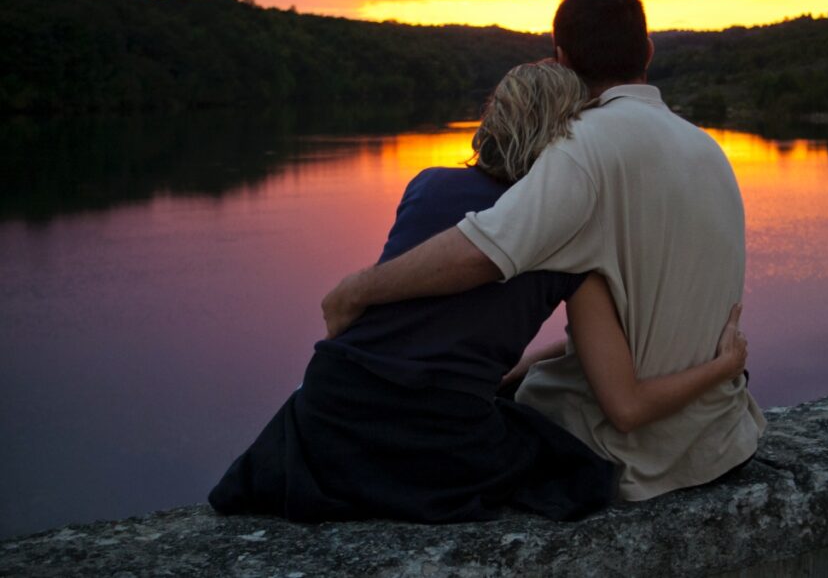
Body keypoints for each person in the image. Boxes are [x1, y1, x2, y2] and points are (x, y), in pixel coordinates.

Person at [209, 62, 749, 523]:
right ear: (571, 135)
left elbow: (429, 327)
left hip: (328, 411)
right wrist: (723, 366)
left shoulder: (426, 184)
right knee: (576, 469)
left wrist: (507, 374)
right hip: (435, 436)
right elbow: (624, 403)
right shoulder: (568, 235)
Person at [321, 0, 767, 502]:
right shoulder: (708, 150)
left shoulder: (583, 148)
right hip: (720, 439)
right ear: (647, 50)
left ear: (560, 58)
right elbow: (634, 327)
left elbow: (482, 250)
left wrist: (357, 290)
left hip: (633, 456)